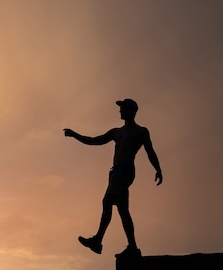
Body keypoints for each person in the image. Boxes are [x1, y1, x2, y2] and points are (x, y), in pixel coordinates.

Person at [63, 98, 162, 258]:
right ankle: (133, 247)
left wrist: (158, 169)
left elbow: (150, 151)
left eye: (123, 108)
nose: (120, 111)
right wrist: (75, 135)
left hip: (125, 172)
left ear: (131, 111)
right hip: (115, 174)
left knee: (107, 201)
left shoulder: (141, 131)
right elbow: (94, 141)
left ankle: (97, 240)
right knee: (123, 211)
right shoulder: (116, 132)